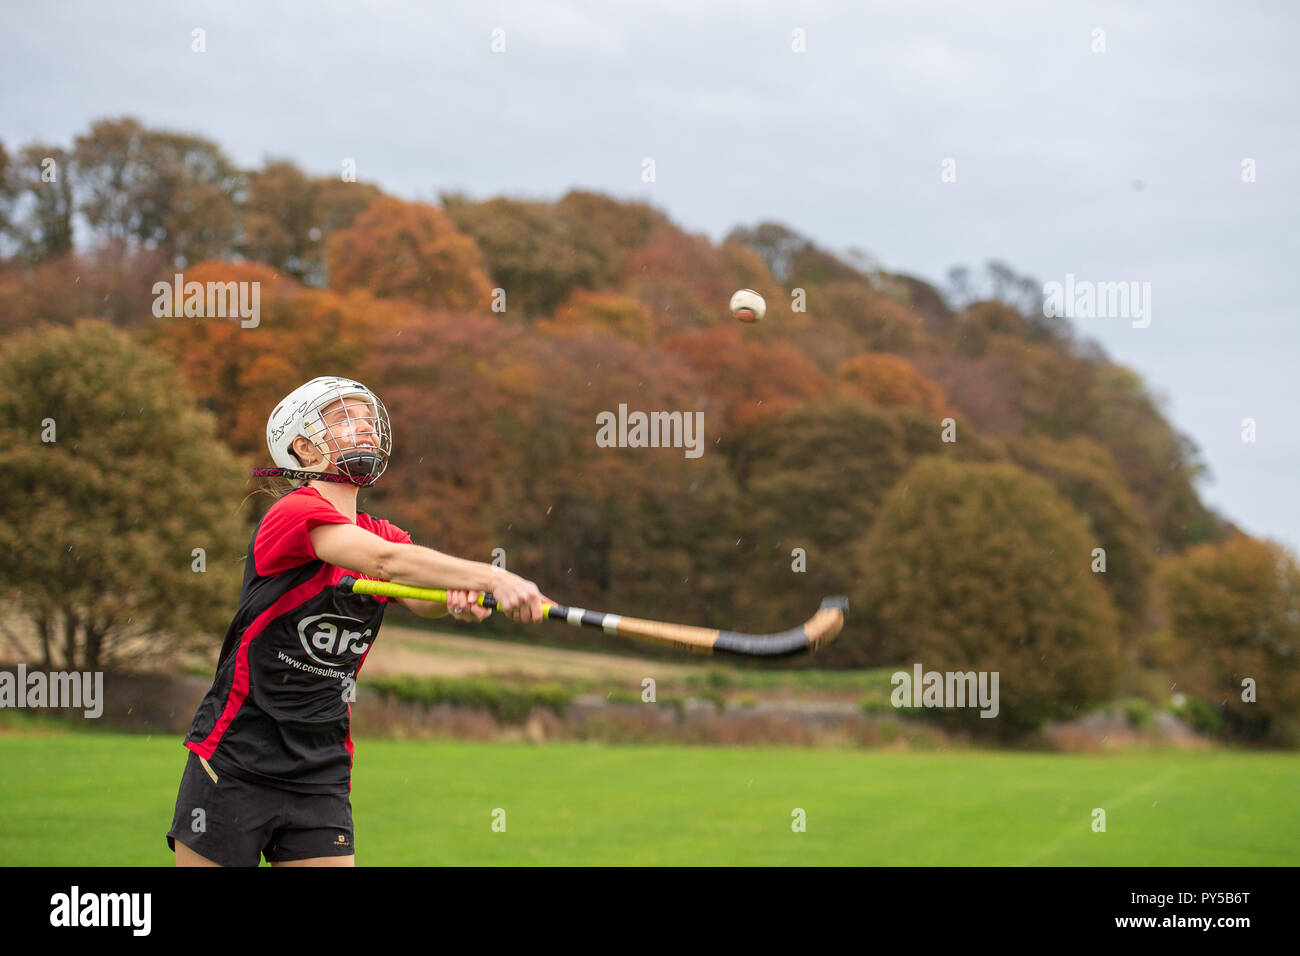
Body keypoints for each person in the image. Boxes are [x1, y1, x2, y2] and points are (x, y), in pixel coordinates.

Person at [166, 376, 548, 866]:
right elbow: (388, 563)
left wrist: (458, 597)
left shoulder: (381, 532)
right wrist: (492, 577)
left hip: (320, 768)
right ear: (303, 448)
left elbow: (420, 597)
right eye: (345, 417)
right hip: (235, 758)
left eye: (367, 418)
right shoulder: (294, 512)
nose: (364, 427)